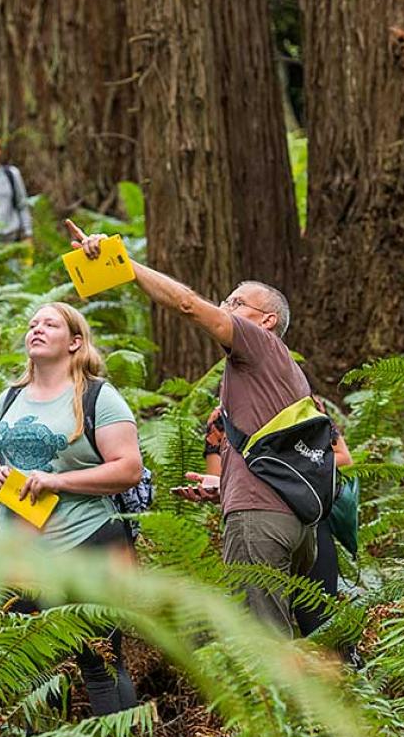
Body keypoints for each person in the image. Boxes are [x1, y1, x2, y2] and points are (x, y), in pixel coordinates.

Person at [67, 220, 324, 637]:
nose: (225, 307)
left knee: (265, 648)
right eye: (226, 299)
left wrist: (122, 264)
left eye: (237, 303)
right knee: (254, 631)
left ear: (267, 321)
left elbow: (186, 303)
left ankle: (274, 705)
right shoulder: (279, 372)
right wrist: (225, 485)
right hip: (290, 520)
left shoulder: (258, 345)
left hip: (260, 520)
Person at [0, 302, 142, 737]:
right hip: (18, 552)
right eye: (31, 323)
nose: (36, 328)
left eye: (49, 323)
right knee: (15, 661)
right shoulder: (8, 399)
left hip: (85, 541)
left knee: (100, 659)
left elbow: (128, 467)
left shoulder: (98, 399)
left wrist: (58, 480)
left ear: (74, 341)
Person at [189, 400, 352, 636]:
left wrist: (284, 468)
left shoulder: (303, 403)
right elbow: (218, 478)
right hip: (256, 519)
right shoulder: (221, 418)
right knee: (263, 621)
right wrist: (213, 487)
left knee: (318, 616)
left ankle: (344, 670)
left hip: (309, 517)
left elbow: (342, 456)